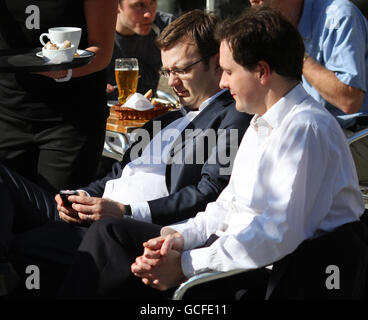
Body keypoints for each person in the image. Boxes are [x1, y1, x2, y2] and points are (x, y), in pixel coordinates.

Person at [57, 6, 365, 300]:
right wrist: (173, 238)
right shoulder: (264, 120)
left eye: (229, 71)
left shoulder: (305, 128)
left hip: (274, 278)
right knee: (116, 247)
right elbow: (226, 206)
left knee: (113, 250)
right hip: (235, 260)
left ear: (261, 72)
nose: (222, 81)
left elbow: (275, 235)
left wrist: (186, 265)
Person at [3, 10, 252, 298]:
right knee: (17, 222)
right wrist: (79, 196)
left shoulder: (231, 116)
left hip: (136, 229)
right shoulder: (165, 118)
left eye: (181, 70)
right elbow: (118, 174)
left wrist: (126, 212)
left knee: (37, 247)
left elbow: (210, 192)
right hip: (99, 215)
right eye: (167, 72)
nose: (172, 83)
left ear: (216, 64)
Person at [0, 0, 117, 194]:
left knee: (60, 214)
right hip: (6, 114)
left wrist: (64, 72)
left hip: (71, 120)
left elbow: (102, 49)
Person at [248, 1, 368, 184]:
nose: (252, 0)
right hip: (311, 132)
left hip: (355, 137)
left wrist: (295, 52)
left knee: (284, 162)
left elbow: (349, 100)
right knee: (246, 146)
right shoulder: (274, 26)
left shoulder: (339, 16)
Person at [106, 0, 175, 100]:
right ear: (115, 5)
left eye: (152, 3)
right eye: (139, 5)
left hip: (150, 111)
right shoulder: (96, 34)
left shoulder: (167, 27)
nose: (149, 14)